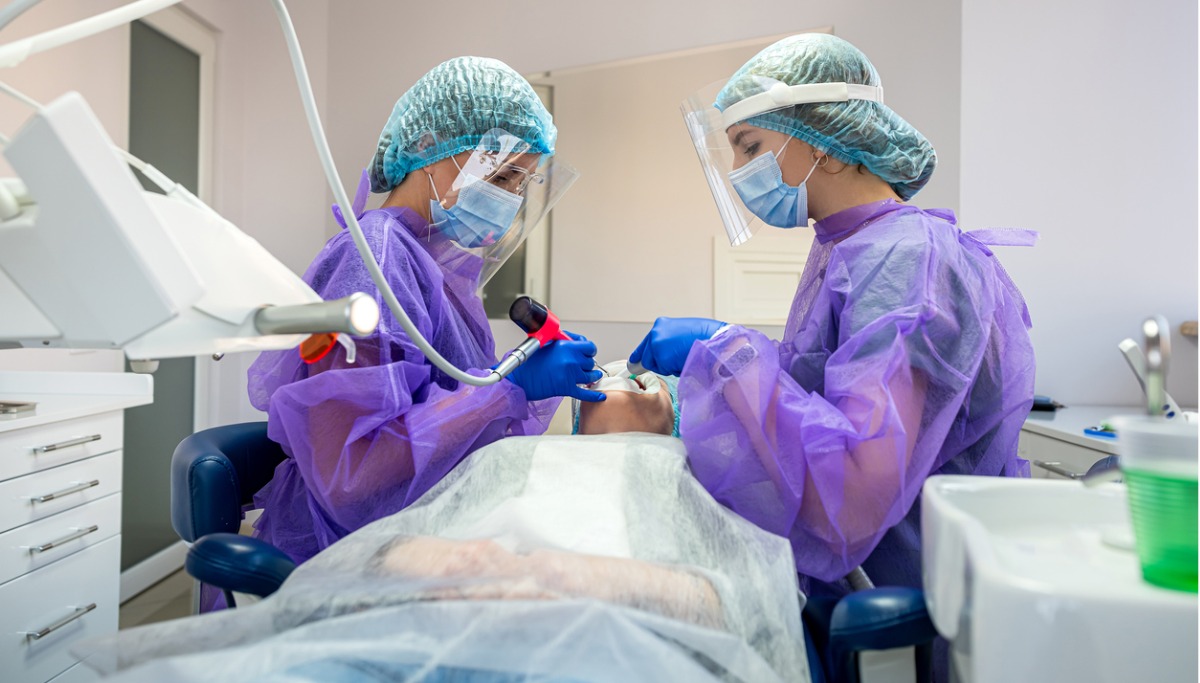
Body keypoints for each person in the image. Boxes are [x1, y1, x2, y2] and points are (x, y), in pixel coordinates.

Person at [631, 33, 1036, 640]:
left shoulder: (905, 260)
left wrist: (732, 353)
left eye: (750, 146)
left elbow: (854, 491)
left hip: (910, 598)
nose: (741, 171)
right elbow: (827, 403)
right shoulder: (851, 247)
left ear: (832, 145)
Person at [245, 56, 606, 568]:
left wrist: (508, 377)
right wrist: (506, 387)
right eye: (502, 176)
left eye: (522, 184)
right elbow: (351, 473)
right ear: (427, 149)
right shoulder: (374, 258)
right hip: (351, 554)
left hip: (425, 528)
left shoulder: (436, 264)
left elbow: (436, 404)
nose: (511, 199)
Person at [83, 432, 809, 682]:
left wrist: (571, 578)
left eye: (645, 382)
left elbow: (747, 605)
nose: (619, 382)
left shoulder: (674, 469)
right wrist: (454, 566)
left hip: (611, 644)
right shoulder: (506, 456)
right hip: (425, 624)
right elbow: (373, 555)